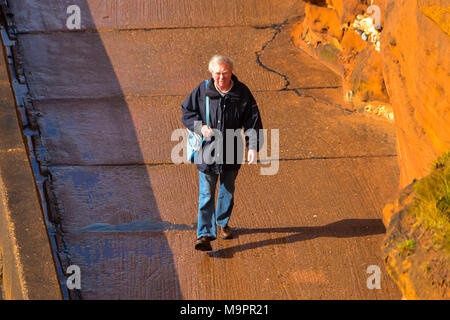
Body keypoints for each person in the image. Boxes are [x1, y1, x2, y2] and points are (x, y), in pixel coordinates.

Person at [181, 55, 263, 251]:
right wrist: (200, 127)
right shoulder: (202, 90)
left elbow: (253, 120)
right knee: (206, 194)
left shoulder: (242, 93)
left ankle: (223, 222)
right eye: (217, 73)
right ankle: (204, 235)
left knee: (227, 191)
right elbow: (187, 111)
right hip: (207, 152)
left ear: (231, 72)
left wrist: (253, 147)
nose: (221, 77)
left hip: (232, 151)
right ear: (211, 73)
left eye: (225, 73)